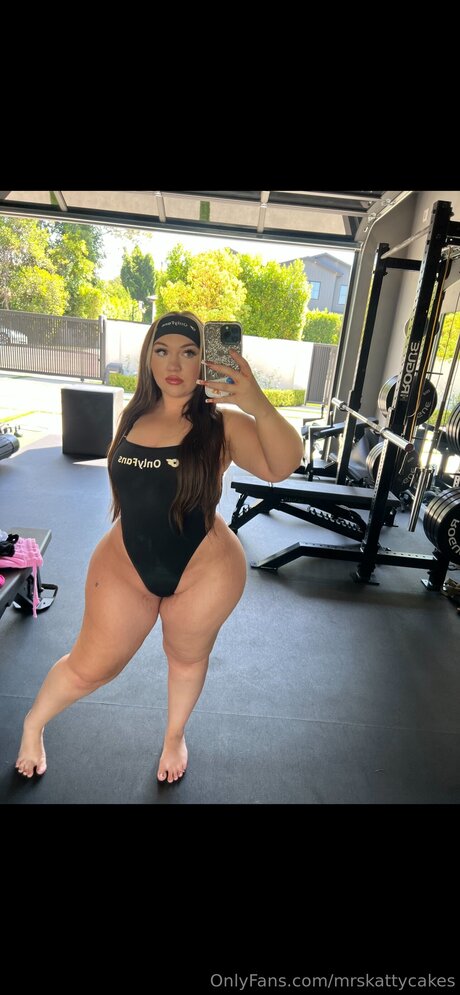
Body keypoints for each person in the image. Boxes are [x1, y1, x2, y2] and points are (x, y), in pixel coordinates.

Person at [15, 311, 303, 784]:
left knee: (186, 659)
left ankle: (174, 737)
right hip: (125, 563)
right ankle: (33, 724)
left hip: (205, 571)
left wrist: (259, 404)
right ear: (149, 357)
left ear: (203, 361)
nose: (174, 364)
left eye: (189, 352)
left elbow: (282, 465)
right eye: (162, 350)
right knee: (89, 668)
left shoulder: (222, 425)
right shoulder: (132, 416)